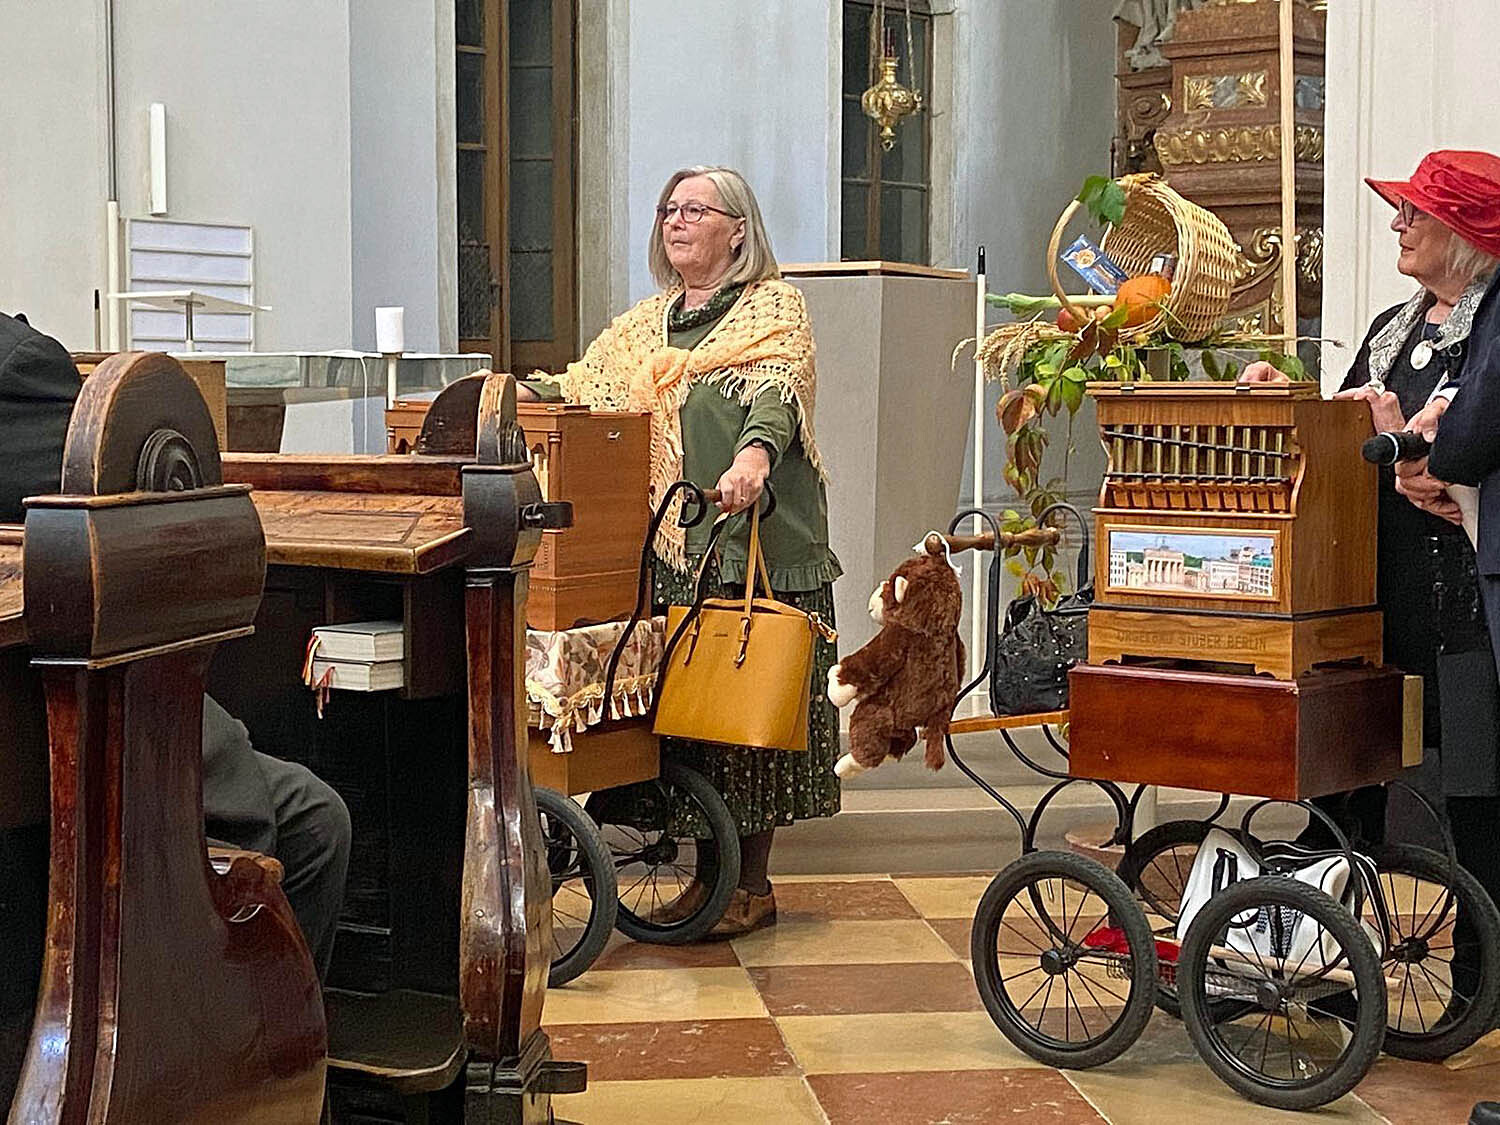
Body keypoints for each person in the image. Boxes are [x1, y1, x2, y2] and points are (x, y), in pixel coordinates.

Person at [518, 165, 841, 936]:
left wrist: (753, 458)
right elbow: (585, 383)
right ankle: (710, 875)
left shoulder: (774, 307)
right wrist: (514, 394)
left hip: (756, 541)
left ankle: (750, 886)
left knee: (746, 714)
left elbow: (778, 393)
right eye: (669, 208)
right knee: (692, 722)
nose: (677, 219)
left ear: (739, 230)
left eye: (696, 209)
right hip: (676, 543)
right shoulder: (647, 325)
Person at [0, 310, 352, 980]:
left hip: (47, 710)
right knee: (314, 821)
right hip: (63, 718)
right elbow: (113, 471)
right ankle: (256, 1042)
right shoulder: (18, 366)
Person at [1243, 149, 1500, 1013]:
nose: (1398, 223)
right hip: (1374, 600)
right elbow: (1352, 430)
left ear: (1462, 233)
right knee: (1346, 785)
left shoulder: (1491, 331)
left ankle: (1479, 986)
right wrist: (1293, 397)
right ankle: (1324, 970)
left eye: (1415, 214)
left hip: (1464, 608)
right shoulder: (1396, 325)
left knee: (1477, 804)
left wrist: (1438, 468)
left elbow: (1466, 442)